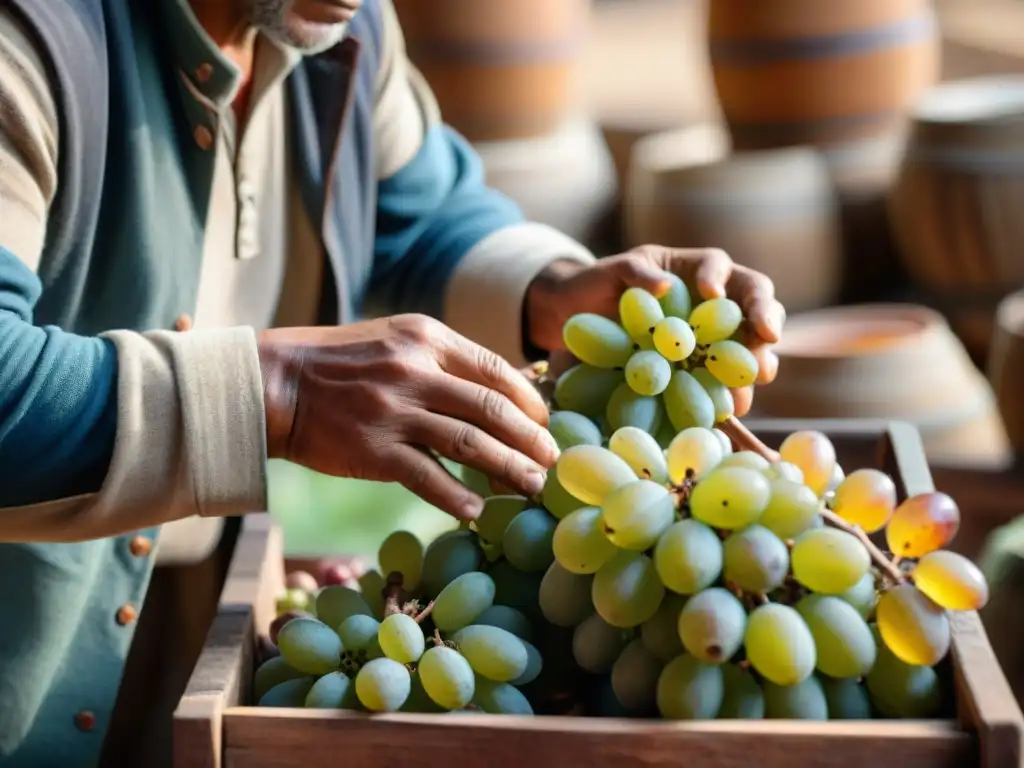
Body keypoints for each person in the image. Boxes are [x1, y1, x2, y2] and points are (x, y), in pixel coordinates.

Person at [0, 0, 785, 763]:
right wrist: (284, 396)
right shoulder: (29, 40)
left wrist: (553, 289)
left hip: (174, 636)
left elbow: (420, 214)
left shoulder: (340, 25)